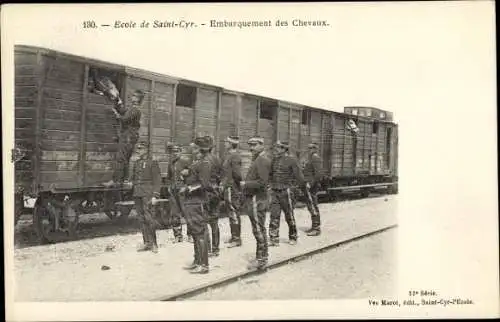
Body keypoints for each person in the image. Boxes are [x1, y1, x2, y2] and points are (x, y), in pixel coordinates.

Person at [181, 136, 214, 274]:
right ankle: (197, 261)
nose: (192, 150)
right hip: (191, 202)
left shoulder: (205, 163)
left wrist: (188, 188)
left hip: (197, 201)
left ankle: (204, 265)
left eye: (194, 148)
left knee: (200, 232)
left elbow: (204, 184)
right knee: (195, 232)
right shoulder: (198, 162)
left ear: (200, 149)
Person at [240, 136, 271, 270]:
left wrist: (246, 184)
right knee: (258, 228)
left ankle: (262, 259)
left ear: (261, 145)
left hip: (256, 199)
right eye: (250, 145)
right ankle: (261, 256)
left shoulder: (262, 160)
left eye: (254, 145)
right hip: (255, 198)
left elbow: (262, 183)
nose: (251, 148)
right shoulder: (258, 159)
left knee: (258, 229)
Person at [103, 89, 144, 187]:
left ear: (138, 99)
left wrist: (117, 115)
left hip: (128, 136)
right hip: (130, 136)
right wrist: (119, 102)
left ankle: (115, 180)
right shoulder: (133, 109)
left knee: (121, 158)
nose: (132, 96)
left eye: (134, 95)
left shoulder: (135, 109)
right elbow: (124, 111)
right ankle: (124, 180)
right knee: (125, 159)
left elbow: (125, 119)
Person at [268, 141, 306, 246]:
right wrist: (270, 185)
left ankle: (293, 236)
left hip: (287, 191)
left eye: (279, 147)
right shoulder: (274, 160)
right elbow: (270, 174)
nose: (277, 149)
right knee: (274, 215)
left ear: (285, 149)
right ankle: (274, 239)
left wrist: (296, 188)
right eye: (277, 147)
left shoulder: (292, 160)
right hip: (275, 191)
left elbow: (299, 176)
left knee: (289, 215)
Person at [130, 139, 161, 253]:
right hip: (138, 193)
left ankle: (154, 244)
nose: (138, 151)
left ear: (146, 150)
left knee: (149, 218)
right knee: (141, 219)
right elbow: (134, 178)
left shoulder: (152, 162)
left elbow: (157, 180)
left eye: (141, 149)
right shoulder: (137, 163)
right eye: (138, 149)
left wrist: (155, 195)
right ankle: (146, 242)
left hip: (147, 193)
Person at [220, 136, 243, 248]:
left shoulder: (235, 156)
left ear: (231, 144)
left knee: (233, 211)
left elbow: (237, 174)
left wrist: (234, 185)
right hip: (228, 186)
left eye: (227, 142)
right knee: (231, 211)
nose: (225, 144)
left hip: (231, 187)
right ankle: (234, 236)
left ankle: (237, 239)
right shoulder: (229, 155)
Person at [165, 143, 190, 242]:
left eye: (177, 151)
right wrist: (168, 187)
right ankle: (178, 236)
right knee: (174, 214)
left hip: (182, 191)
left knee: (186, 213)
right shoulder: (171, 163)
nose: (175, 153)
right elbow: (168, 177)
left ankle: (191, 235)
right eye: (173, 152)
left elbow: (191, 176)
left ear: (181, 152)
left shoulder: (185, 162)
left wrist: (186, 187)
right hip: (173, 190)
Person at [204, 136, 224, 257]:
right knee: (214, 222)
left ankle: (207, 249)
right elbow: (222, 175)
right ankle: (216, 249)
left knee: (204, 221)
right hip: (215, 192)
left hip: (205, 192)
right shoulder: (217, 159)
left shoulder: (202, 159)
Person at [302, 142, 323, 236]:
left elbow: (318, 174)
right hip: (309, 185)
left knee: (313, 206)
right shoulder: (311, 158)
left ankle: (316, 228)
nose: (309, 149)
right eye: (308, 148)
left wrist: (310, 184)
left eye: (311, 148)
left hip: (312, 186)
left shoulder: (315, 158)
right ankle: (314, 226)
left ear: (315, 149)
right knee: (311, 205)